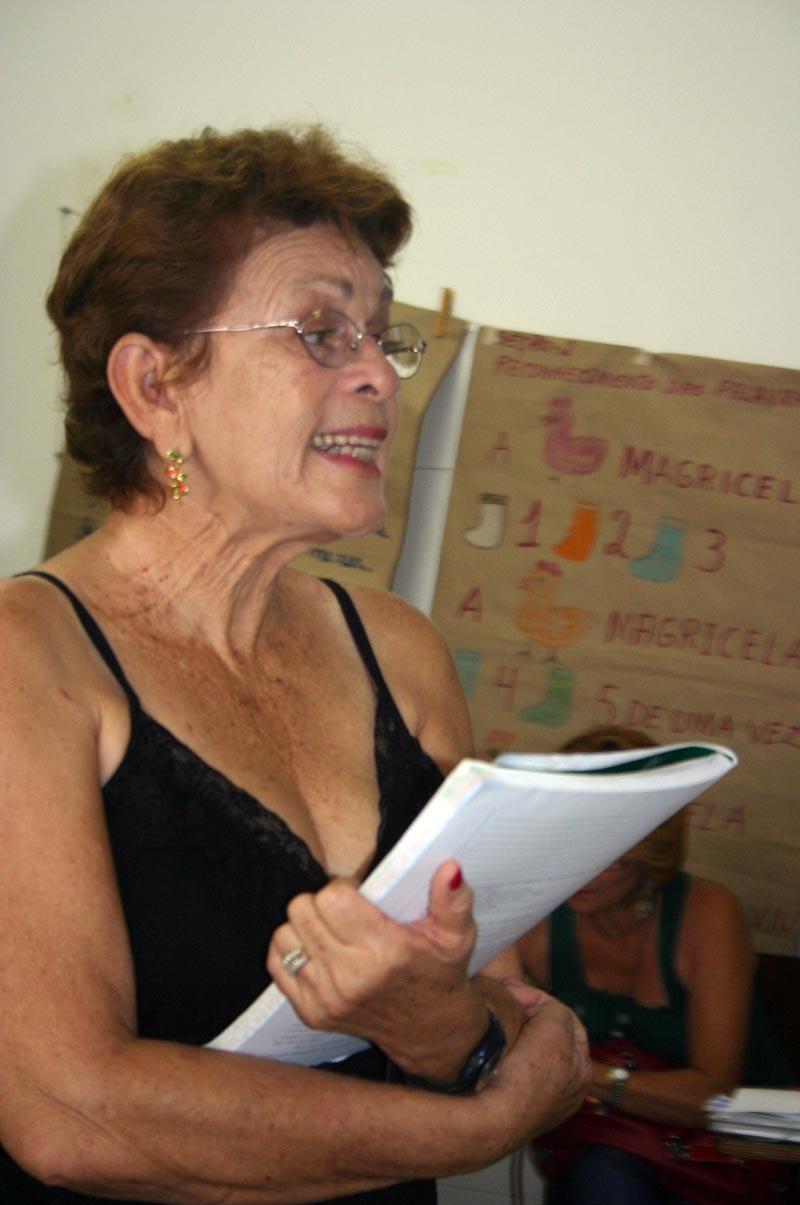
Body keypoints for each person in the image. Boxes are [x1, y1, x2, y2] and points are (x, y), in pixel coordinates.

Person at [0, 125, 590, 1205]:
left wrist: (448, 1031)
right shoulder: (27, 658)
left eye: (381, 335)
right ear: (155, 385)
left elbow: (511, 1010)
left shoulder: (399, 652)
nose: (378, 376)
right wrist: (474, 1125)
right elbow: (70, 1110)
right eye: (319, 332)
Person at [517, 725, 795, 1205]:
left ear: (651, 850)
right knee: (601, 1178)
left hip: (751, 1143)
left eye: (608, 855)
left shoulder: (708, 913)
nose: (580, 869)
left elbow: (714, 1095)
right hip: (616, 1146)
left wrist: (587, 1076)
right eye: (567, 843)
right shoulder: (538, 922)